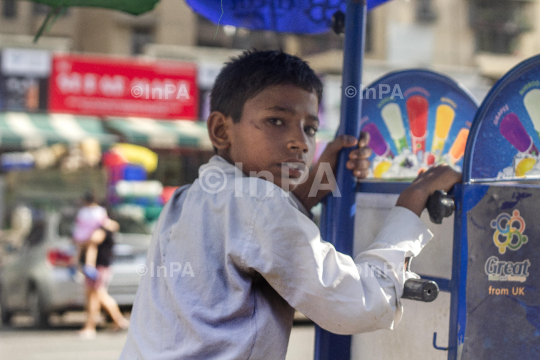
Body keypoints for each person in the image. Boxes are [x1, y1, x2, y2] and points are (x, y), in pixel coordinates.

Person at [120, 50, 461, 359]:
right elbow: (358, 304)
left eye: (310, 128)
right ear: (221, 130)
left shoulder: (187, 198)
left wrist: (322, 179)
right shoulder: (257, 202)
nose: (300, 141)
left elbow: (259, 234)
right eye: (276, 121)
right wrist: (409, 206)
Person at [78, 217, 129, 339]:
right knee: (96, 295)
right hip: (100, 267)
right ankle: (118, 321)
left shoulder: (100, 230)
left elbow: (92, 244)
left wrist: (89, 264)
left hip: (98, 268)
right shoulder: (107, 228)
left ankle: (93, 327)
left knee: (97, 296)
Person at [72, 191, 107, 280]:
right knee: (91, 249)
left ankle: (75, 266)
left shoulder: (83, 211)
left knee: (79, 250)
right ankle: (89, 266)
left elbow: (78, 223)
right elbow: (103, 222)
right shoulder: (99, 211)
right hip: (89, 235)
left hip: (81, 235)